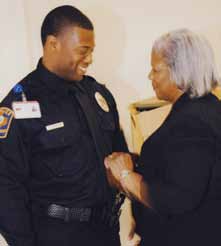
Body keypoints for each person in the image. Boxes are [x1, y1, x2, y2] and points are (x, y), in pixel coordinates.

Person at [0, 5, 130, 246]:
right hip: (57, 236)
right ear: (53, 44)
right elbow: (6, 187)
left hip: (106, 231)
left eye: (92, 51)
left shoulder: (97, 94)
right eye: (83, 50)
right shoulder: (19, 106)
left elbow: (120, 157)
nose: (89, 59)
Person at [105, 29, 221, 246]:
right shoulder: (207, 109)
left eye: (155, 69)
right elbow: (181, 170)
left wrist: (125, 175)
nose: (150, 76)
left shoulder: (192, 122)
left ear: (180, 71)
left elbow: (176, 197)